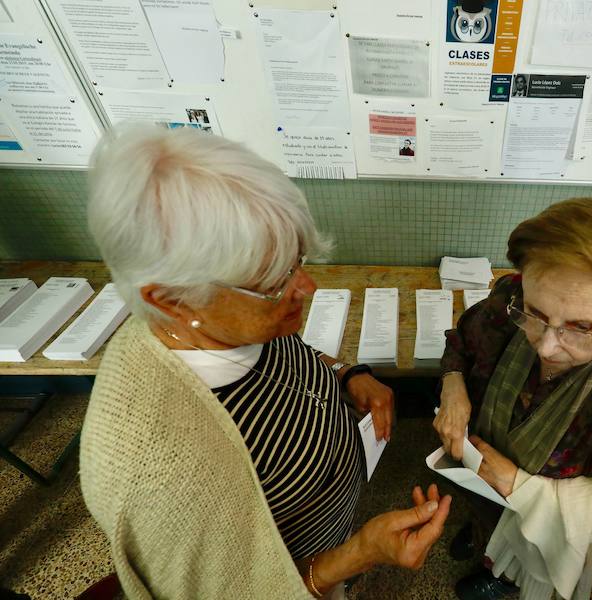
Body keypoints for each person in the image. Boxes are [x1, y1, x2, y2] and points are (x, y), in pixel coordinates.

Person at [80, 124, 451, 599]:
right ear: (173, 301)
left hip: (328, 526)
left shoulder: (222, 323)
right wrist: (358, 555)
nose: (307, 287)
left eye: (297, 261)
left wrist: (346, 373)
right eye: (275, 282)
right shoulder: (157, 471)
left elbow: (289, 354)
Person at [433, 198, 592, 600]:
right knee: (485, 517)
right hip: (477, 474)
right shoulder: (511, 297)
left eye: (582, 328)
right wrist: (453, 387)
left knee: (522, 546)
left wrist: (515, 484)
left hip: (534, 516)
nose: (548, 347)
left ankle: (503, 574)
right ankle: (485, 538)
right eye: (536, 314)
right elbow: (463, 342)